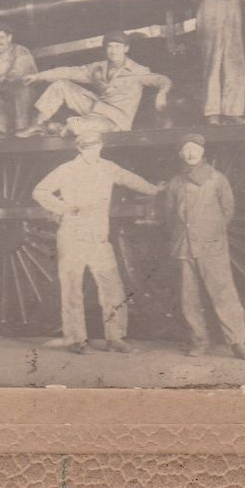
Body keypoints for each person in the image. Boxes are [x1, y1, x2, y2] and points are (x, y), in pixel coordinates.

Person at [31, 128, 160, 353]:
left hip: (99, 237)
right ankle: (76, 339)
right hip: (72, 236)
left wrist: (154, 190)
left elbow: (129, 179)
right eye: (89, 147)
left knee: (112, 286)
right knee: (72, 287)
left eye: (97, 146)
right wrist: (63, 208)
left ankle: (115, 337)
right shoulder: (67, 170)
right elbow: (40, 191)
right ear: (80, 148)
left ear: (101, 146)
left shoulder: (107, 168)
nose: (94, 151)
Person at [161, 133, 245, 362]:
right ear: (180, 154)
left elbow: (228, 210)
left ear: (202, 152)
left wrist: (212, 234)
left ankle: (238, 343)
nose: (190, 153)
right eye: (186, 149)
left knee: (224, 295)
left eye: (194, 148)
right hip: (184, 247)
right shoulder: (176, 182)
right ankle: (199, 341)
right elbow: (168, 214)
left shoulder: (217, 179)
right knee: (189, 299)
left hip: (211, 247)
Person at [15, 31, 172, 138]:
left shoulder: (137, 70)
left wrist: (162, 93)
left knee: (76, 126)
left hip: (114, 121)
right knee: (61, 84)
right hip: (96, 108)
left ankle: (58, 128)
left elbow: (162, 80)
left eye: (117, 47)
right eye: (109, 47)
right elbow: (69, 72)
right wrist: (37, 76)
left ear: (126, 49)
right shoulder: (98, 67)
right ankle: (38, 125)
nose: (113, 51)